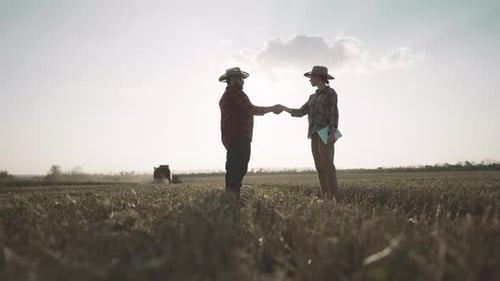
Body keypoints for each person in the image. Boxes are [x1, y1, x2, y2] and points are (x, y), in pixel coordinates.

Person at [219, 67, 282, 198]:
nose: (242, 81)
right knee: (238, 168)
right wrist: (271, 109)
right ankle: (232, 197)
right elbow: (250, 109)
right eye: (239, 79)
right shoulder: (235, 94)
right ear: (231, 80)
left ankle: (230, 198)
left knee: (233, 168)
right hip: (239, 136)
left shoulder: (228, 95)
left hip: (232, 137)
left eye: (241, 78)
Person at [282, 66, 339, 201]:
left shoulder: (331, 93)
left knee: (328, 166)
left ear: (318, 77)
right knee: (319, 167)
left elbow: (334, 113)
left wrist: (332, 131)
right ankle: (326, 197)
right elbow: (301, 112)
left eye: (311, 77)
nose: (309, 80)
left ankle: (334, 198)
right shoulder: (312, 97)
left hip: (326, 131)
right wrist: (284, 108)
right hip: (313, 133)